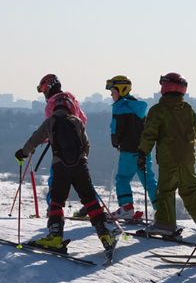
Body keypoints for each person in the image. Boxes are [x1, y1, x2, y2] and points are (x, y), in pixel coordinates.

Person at [14, 94, 115, 254]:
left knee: (57, 201)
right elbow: (87, 145)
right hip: (81, 166)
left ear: (54, 108)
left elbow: (35, 139)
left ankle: (55, 236)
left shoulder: (50, 121)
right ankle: (104, 234)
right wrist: (81, 160)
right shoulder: (77, 122)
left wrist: (23, 153)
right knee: (89, 200)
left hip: (60, 167)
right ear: (71, 108)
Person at [136, 72, 196, 240]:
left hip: (169, 159)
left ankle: (165, 225)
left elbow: (149, 135)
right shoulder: (188, 109)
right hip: (188, 159)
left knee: (166, 191)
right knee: (191, 189)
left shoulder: (158, 110)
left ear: (166, 87)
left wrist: (142, 153)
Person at [105, 75, 157, 220]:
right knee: (149, 180)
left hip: (128, 150)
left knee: (122, 178)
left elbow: (115, 128)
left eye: (113, 92)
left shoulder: (120, 107)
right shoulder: (138, 106)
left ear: (121, 91)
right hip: (143, 151)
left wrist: (115, 141)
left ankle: (126, 207)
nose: (111, 95)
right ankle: (160, 209)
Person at [36, 74, 87, 213]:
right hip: (77, 145)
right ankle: (91, 205)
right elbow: (82, 119)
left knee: (55, 178)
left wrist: (45, 140)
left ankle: (53, 207)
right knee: (83, 177)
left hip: (59, 150)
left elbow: (50, 129)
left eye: (44, 90)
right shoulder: (70, 98)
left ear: (48, 88)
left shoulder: (51, 105)